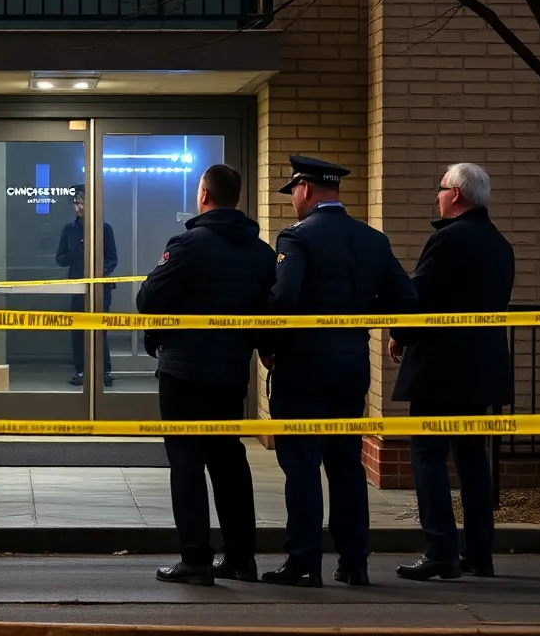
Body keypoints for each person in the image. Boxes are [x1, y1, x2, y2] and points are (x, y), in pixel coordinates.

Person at [262, 155, 417, 587]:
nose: (293, 199)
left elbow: (284, 299)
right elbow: (405, 298)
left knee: (303, 465)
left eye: (293, 190)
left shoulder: (296, 238)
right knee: (347, 467)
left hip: (303, 369)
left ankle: (303, 563)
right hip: (351, 368)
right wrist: (397, 334)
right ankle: (354, 564)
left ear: (306, 189)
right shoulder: (371, 239)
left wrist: (270, 349)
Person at [136, 163, 277, 586]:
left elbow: (149, 298)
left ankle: (195, 559)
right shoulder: (262, 253)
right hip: (232, 371)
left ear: (203, 195)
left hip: (184, 372)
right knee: (229, 460)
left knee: (186, 462)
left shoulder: (188, 244)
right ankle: (240, 558)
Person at [389, 163, 515, 581]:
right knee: (472, 459)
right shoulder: (500, 244)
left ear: (457, 194)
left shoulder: (447, 240)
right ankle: (479, 553)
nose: (437, 196)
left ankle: (440, 549)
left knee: (426, 455)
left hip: (441, 370)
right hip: (481, 370)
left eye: (441, 189)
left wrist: (400, 334)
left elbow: (420, 296)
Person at [56, 184, 118, 386]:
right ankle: (81, 370)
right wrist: (74, 252)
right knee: (78, 330)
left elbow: (112, 259)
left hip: (100, 289)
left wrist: (99, 275)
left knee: (100, 329)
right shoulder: (69, 230)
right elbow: (60, 259)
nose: (79, 207)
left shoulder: (104, 228)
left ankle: (103, 370)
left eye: (83, 203)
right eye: (76, 203)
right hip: (77, 287)